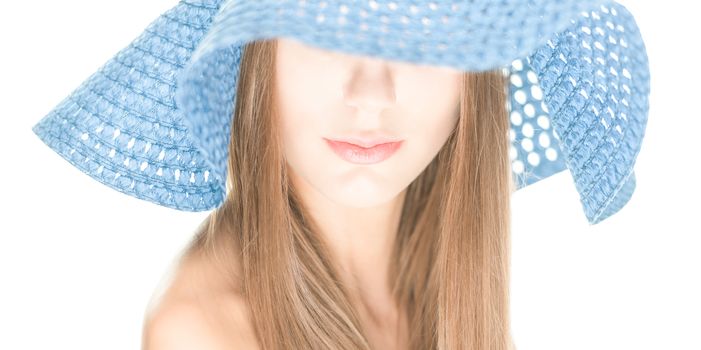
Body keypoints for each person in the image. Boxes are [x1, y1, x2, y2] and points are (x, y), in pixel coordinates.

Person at [31, 1, 650, 349]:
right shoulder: (208, 335)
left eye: (420, 35)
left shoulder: (443, 286)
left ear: (476, 77)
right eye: (321, 31)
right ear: (257, 54)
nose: (371, 95)